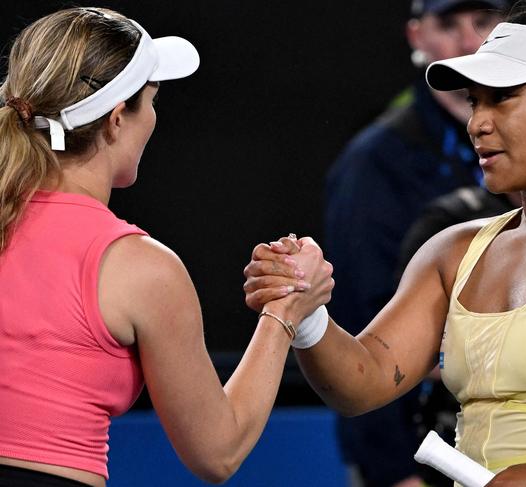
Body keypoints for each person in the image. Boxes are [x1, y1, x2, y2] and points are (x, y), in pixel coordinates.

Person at [244, 1, 526, 486]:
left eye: (502, 98)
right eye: (475, 100)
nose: (477, 122)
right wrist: (305, 312)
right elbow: (362, 381)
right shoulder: (452, 252)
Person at [0, 8, 333, 487]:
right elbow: (217, 451)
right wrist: (286, 311)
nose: (153, 118)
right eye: (151, 100)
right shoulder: (140, 268)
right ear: (116, 121)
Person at [324, 1, 506, 485]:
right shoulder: (374, 164)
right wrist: (397, 470)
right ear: (416, 34)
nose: (470, 43)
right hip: (419, 452)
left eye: (484, 21)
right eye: (448, 24)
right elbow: (361, 331)